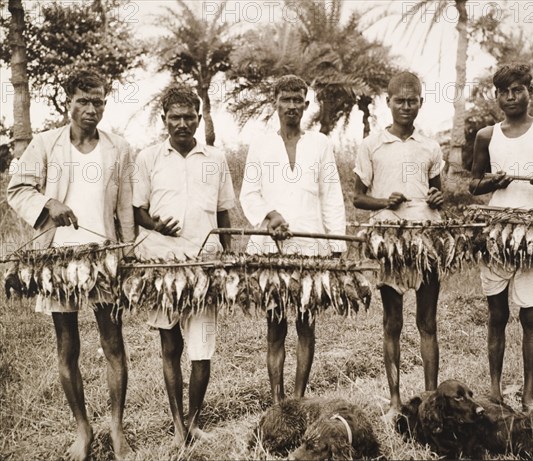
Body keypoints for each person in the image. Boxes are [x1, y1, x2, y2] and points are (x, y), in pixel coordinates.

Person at [7, 69, 134, 461]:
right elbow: (17, 187)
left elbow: (125, 207)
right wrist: (49, 204)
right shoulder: (46, 144)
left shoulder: (118, 148)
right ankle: (82, 429)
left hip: (103, 259)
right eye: (83, 101)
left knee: (113, 345)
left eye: (98, 102)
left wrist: (127, 252)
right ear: (68, 102)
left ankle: (116, 428)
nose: (91, 109)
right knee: (67, 347)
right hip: (58, 262)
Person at [132, 83, 235, 444]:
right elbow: (137, 211)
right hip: (162, 263)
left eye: (188, 116)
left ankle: (193, 420)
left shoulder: (216, 158)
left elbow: (223, 211)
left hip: (206, 264)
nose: (181, 123)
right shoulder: (148, 158)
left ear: (199, 117)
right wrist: (155, 224)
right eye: (174, 117)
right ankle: (178, 426)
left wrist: (229, 255)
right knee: (170, 346)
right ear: (164, 119)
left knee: (202, 349)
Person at [239, 75, 346, 403]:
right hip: (270, 250)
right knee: (275, 326)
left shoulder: (320, 144)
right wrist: (270, 216)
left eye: (297, 100)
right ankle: (277, 400)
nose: (291, 106)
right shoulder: (260, 144)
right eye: (285, 99)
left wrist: (337, 249)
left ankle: (297, 399)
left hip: (310, 247)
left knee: (306, 324)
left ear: (306, 104)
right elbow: (249, 194)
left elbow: (331, 197)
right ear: (275, 102)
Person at [353, 71, 445, 423]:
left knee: (428, 322)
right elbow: (358, 198)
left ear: (421, 102)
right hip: (388, 241)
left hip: (426, 238)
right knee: (392, 322)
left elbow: (438, 192)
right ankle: (394, 401)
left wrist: (438, 197)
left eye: (413, 100)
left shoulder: (430, 146)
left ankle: (430, 401)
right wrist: (383, 203)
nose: (406, 106)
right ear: (387, 103)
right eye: (399, 101)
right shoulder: (372, 145)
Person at [469, 64, 533, 412]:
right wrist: (496, 181)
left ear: (529, 92)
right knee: (497, 314)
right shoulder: (486, 136)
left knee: (531, 316)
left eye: (518, 89)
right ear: (496, 96)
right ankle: (494, 390)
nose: (511, 97)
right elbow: (474, 185)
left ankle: (528, 393)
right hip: (497, 231)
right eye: (504, 91)